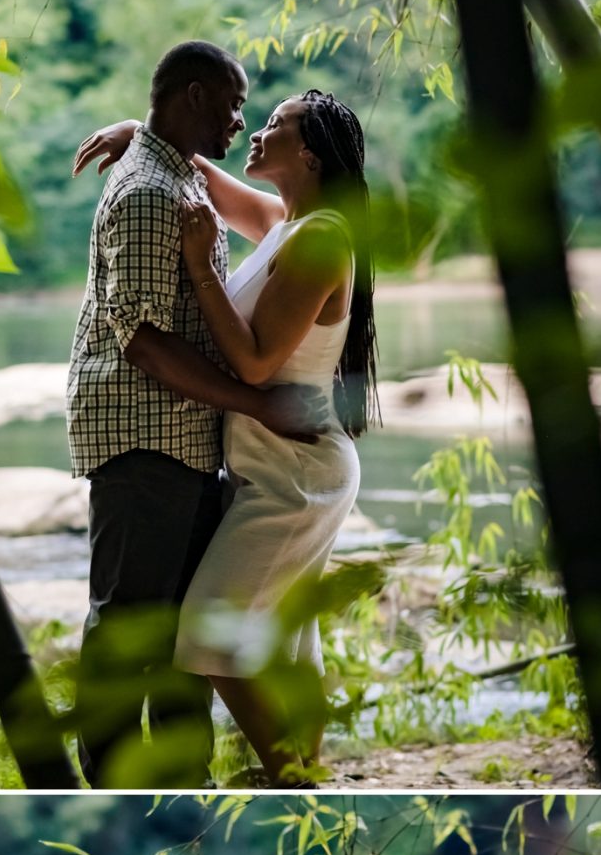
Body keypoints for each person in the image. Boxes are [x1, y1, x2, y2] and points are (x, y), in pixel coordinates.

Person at [74, 86, 379, 784]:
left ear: (307, 153)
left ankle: (290, 779)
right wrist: (139, 133)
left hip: (295, 475)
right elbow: (213, 181)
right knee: (291, 645)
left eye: (276, 124)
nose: (259, 129)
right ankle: (305, 770)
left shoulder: (323, 237)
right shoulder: (286, 221)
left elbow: (254, 360)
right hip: (277, 467)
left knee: (207, 638)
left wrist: (203, 263)